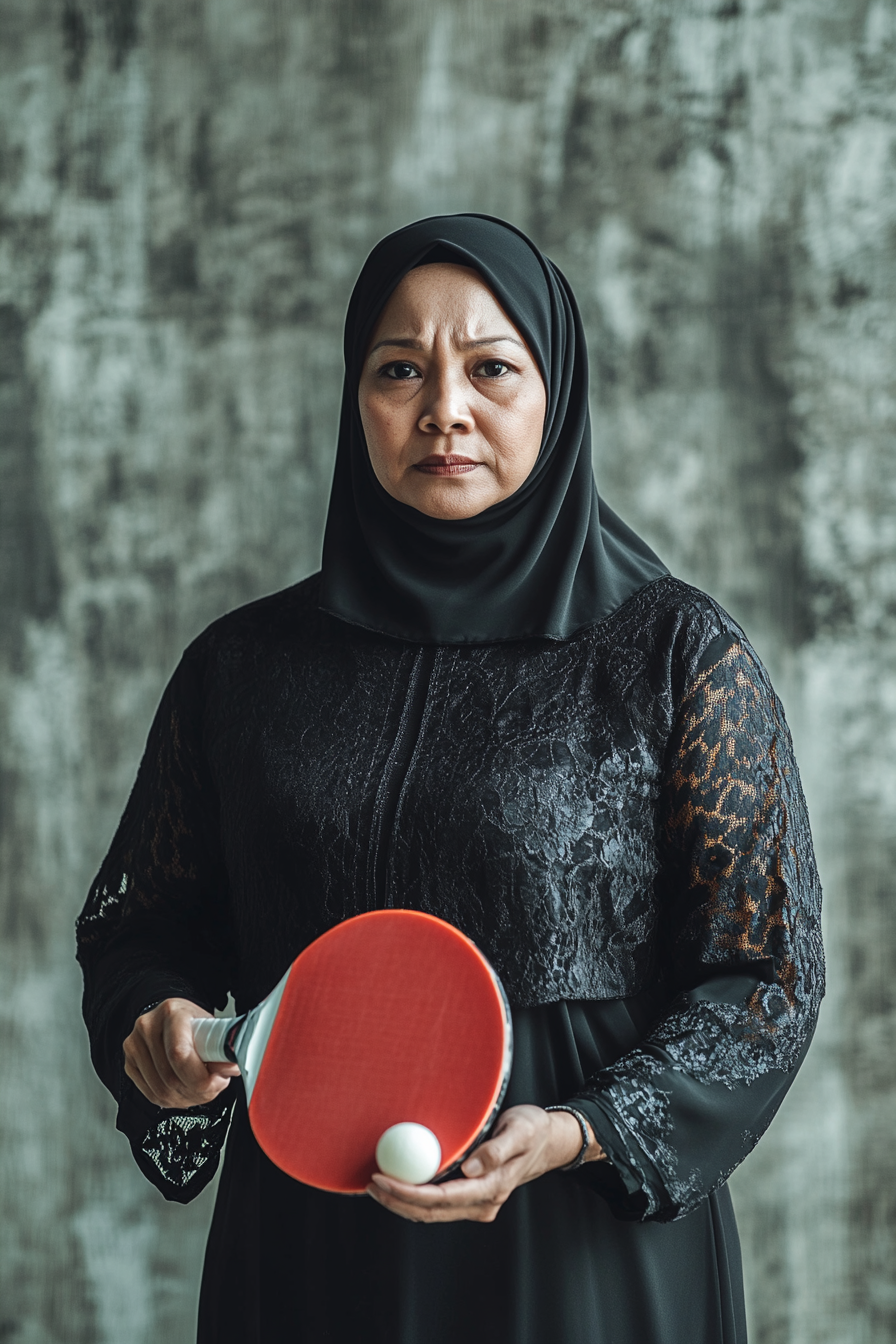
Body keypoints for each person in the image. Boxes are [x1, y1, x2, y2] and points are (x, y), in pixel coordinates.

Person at [76, 214, 824, 1344]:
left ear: (554, 390)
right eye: (397, 370)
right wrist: (156, 1020)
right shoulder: (243, 667)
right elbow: (147, 925)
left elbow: (761, 974)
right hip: (310, 1234)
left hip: (573, 1239)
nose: (443, 410)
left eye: (489, 368)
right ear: (354, 400)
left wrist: (581, 1129)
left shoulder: (673, 657)